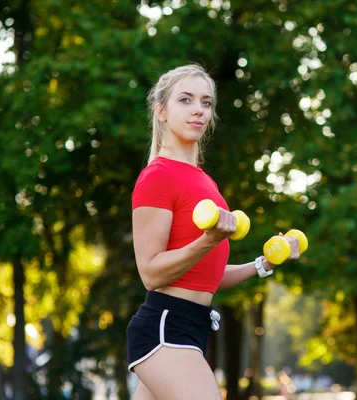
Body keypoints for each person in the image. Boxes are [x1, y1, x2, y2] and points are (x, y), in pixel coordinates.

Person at [126, 64, 300, 400]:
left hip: (193, 326)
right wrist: (208, 240)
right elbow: (150, 274)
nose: (198, 110)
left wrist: (263, 264)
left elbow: (202, 276)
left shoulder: (205, 182)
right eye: (186, 100)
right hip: (166, 327)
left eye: (206, 103)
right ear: (161, 111)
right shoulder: (158, 176)